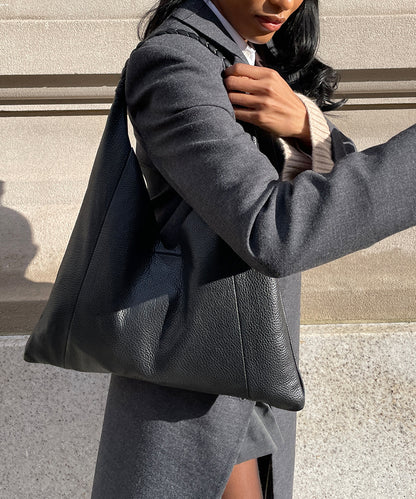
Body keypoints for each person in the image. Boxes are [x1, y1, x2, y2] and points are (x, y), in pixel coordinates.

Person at [91, 1, 416, 498]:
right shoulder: (176, 63)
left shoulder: (252, 57)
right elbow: (271, 231)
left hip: (248, 371)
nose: (283, 2)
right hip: (199, 386)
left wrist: (306, 123)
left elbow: (334, 190)